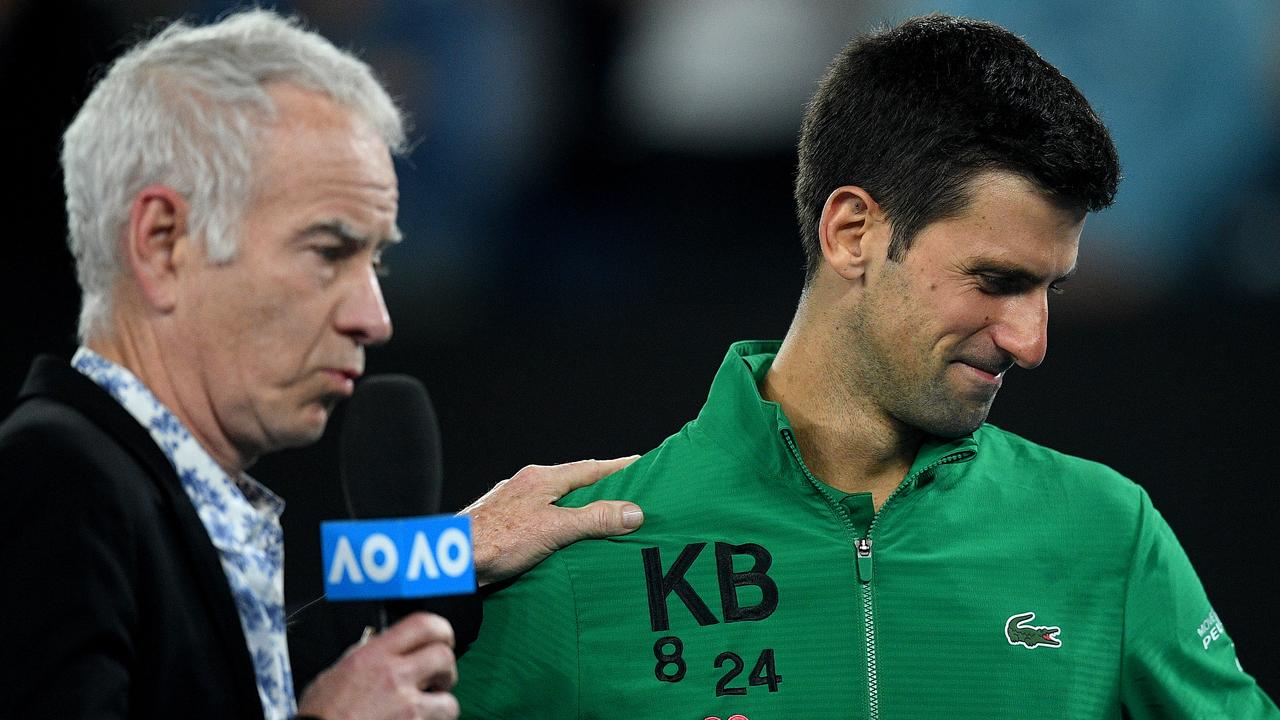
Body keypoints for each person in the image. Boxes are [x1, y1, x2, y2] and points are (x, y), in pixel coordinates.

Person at [454, 14, 1279, 719]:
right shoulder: (574, 558)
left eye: (1050, 289)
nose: (1032, 342)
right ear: (853, 233)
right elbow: (334, 657)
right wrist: (425, 553)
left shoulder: (1109, 533)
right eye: (996, 282)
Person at [0, 9, 643, 720]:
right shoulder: (56, 480)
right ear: (161, 242)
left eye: (376, 260)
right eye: (329, 252)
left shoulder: (132, 489)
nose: (375, 317)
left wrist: (451, 552)